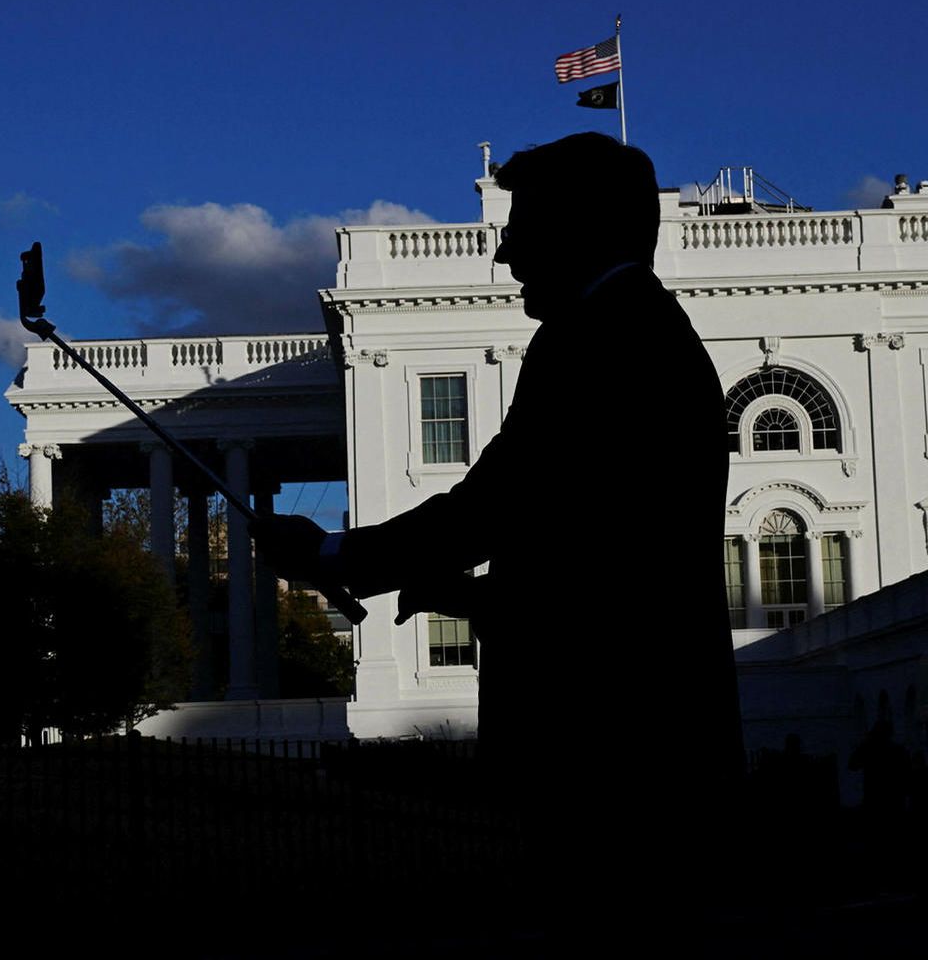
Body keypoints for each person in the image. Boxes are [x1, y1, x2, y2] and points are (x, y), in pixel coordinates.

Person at [255, 132, 743, 908]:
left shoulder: (597, 339)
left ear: (578, 227)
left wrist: (332, 553)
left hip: (613, 747)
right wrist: (469, 596)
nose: (506, 254)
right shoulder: (638, 330)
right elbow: (602, 564)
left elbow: (495, 505)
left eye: (521, 226)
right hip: (644, 732)